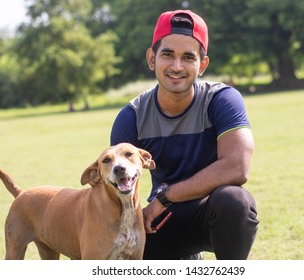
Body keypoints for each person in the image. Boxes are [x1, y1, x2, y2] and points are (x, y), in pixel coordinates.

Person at [110, 10, 259, 260]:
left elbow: (237, 168)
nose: (176, 67)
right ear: (151, 58)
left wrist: (165, 197)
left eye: (188, 57)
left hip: (207, 213)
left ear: (202, 65)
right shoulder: (131, 117)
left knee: (235, 201)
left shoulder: (222, 100)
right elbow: (114, 188)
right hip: (160, 221)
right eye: (167, 54)